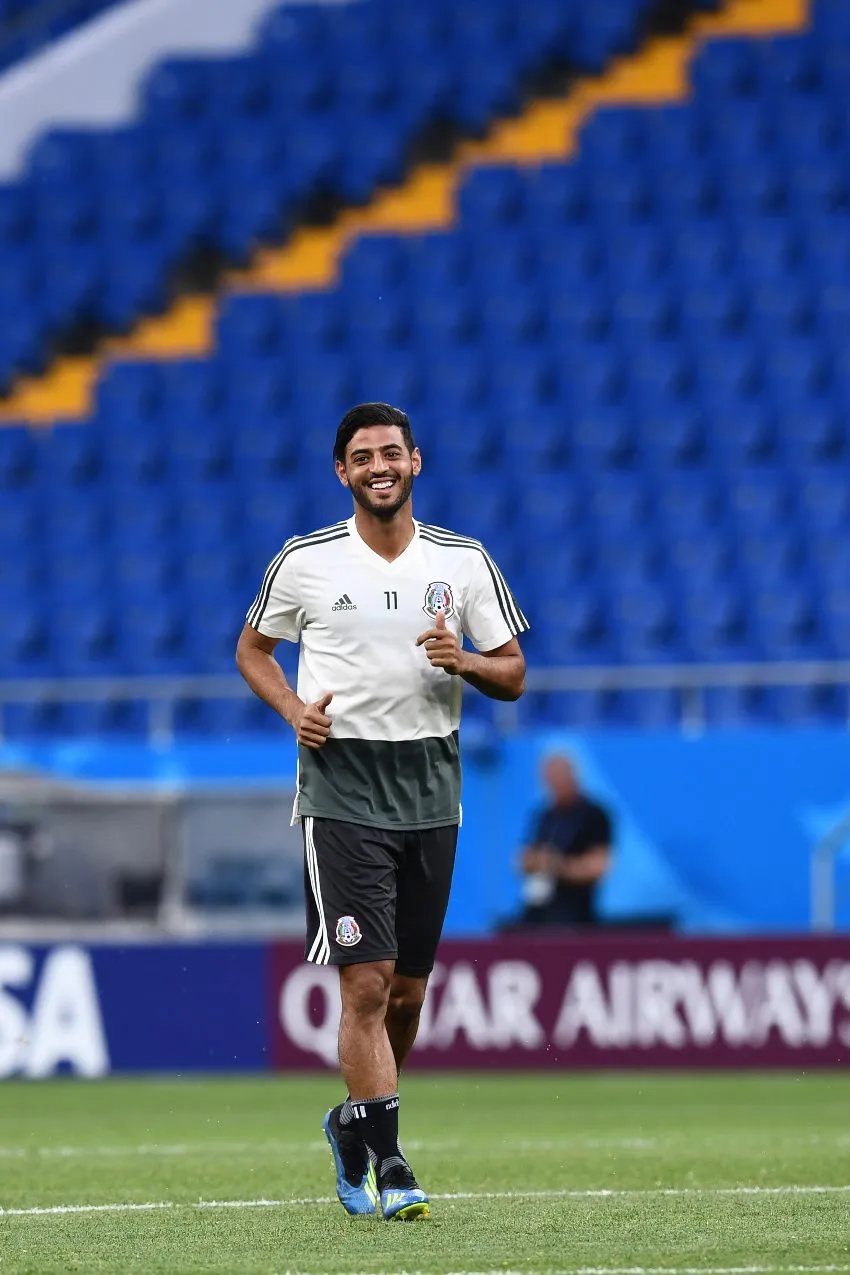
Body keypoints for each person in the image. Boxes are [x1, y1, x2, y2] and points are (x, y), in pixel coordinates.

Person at [235, 402, 528, 1222]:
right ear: (342, 471)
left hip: (432, 788)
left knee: (406, 994)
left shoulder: (463, 562)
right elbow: (251, 648)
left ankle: (354, 1125)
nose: (379, 466)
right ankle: (393, 1163)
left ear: (416, 461)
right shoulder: (305, 561)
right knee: (363, 984)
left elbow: (514, 672)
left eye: (391, 452)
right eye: (362, 456)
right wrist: (294, 709)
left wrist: (463, 658)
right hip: (340, 785)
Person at [517, 754, 612, 927]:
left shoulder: (593, 815)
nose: (555, 784)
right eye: (550, 778)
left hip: (575, 912)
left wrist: (558, 866)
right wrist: (536, 862)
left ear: (572, 775)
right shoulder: (545, 815)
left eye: (559, 776)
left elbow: (598, 866)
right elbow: (524, 858)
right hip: (537, 909)